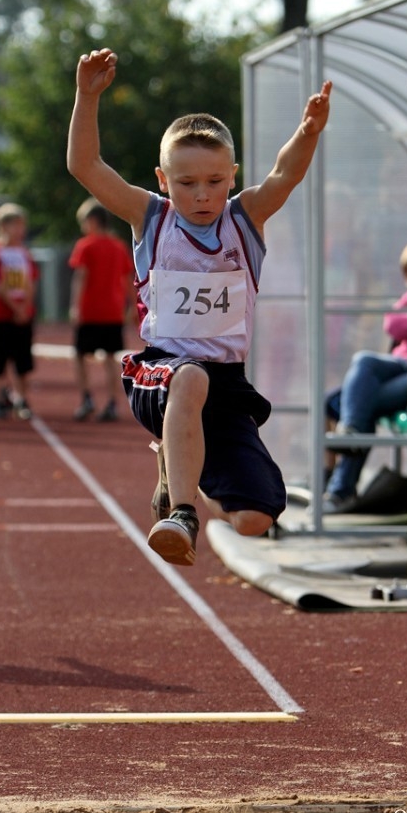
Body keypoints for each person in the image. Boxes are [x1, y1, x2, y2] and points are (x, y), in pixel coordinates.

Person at [67, 47, 331, 565]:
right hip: (161, 372)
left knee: (254, 520)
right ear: (164, 180)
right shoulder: (152, 217)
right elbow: (85, 165)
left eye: (214, 181)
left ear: (232, 175)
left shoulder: (244, 219)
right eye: (187, 183)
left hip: (227, 382)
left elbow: (285, 175)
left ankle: (182, 468)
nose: (202, 195)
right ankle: (180, 513)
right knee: (191, 377)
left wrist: (308, 132)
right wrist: (86, 97)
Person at [323, 243, 407, 513]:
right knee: (336, 400)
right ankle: (334, 482)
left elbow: (394, 322)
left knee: (363, 394)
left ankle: (340, 490)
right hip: (400, 366)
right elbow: (394, 320)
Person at [68, 198, 135, 422]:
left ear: (92, 221)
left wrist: (75, 307)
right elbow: (128, 279)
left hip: (90, 311)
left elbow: (81, 276)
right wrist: (132, 305)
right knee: (109, 359)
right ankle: (113, 402)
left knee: (79, 355)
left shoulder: (85, 245)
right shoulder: (119, 246)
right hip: (113, 311)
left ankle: (87, 398)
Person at [0, 203, 38, 421]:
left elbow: (31, 282)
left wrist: (24, 307)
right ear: (1, 227)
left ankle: (22, 398)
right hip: (1, 314)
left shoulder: (25, 254)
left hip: (23, 315)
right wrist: (15, 307)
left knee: (22, 360)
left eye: (21, 224)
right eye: (14, 225)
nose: (19, 229)